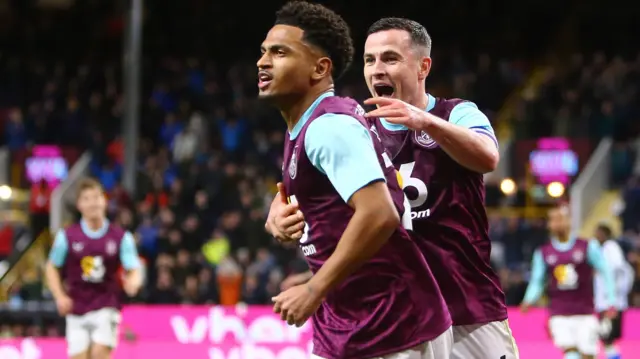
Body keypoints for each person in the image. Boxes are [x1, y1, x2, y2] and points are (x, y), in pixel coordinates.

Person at [268, 17, 518, 359]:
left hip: (467, 306)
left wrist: (425, 121)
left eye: (390, 58)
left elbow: (488, 157)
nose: (377, 69)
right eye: (370, 60)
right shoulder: (353, 126)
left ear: (423, 66)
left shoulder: (456, 113)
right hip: (395, 315)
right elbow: (315, 192)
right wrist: (280, 210)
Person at [258, 3, 452, 359]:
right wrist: (278, 216)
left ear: (320, 68)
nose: (263, 62)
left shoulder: (329, 126)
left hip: (394, 325)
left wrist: (314, 288)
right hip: (351, 323)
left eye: (279, 52)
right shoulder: (308, 126)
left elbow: (379, 212)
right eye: (264, 52)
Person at [45, 178, 143, 359]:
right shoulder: (67, 236)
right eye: (87, 199)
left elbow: (134, 267)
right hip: (76, 306)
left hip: (107, 303)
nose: (93, 203)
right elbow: (52, 267)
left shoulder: (121, 237)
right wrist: (59, 296)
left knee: (99, 354)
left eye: (97, 197)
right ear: (79, 205)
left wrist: (133, 282)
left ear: (105, 201)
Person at [521, 206, 617, 359]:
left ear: (569, 222)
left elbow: (606, 272)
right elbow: (537, 280)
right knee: (571, 354)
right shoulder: (543, 252)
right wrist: (528, 299)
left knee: (587, 355)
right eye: (553, 220)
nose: (557, 223)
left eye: (560, 219)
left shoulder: (587, 246)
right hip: (559, 313)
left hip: (585, 312)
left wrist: (611, 301)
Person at [593, 223, 634, 359]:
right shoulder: (602, 249)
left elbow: (619, 268)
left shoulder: (611, 248)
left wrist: (617, 293)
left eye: (598, 233)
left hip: (611, 301)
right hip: (604, 300)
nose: (595, 236)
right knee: (605, 337)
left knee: (607, 336)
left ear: (604, 234)